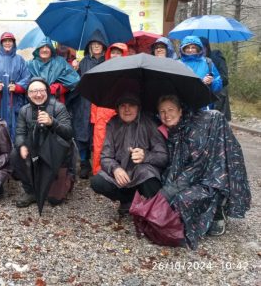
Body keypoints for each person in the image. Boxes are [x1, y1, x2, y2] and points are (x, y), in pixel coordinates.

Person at [157, 95, 250, 248]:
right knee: (169, 199)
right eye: (162, 111)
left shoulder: (195, 129)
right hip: (190, 178)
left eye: (170, 110)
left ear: (180, 111)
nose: (166, 115)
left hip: (210, 178)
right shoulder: (170, 132)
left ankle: (218, 210)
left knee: (180, 200)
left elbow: (194, 169)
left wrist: (167, 192)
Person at [90, 93, 168, 216]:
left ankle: (156, 210)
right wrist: (115, 169)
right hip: (123, 174)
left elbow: (163, 156)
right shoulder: (112, 123)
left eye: (131, 105)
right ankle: (128, 200)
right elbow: (105, 156)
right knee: (97, 182)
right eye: (122, 106)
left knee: (146, 174)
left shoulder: (150, 123)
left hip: (144, 173)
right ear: (117, 108)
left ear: (138, 107)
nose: (127, 109)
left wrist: (145, 156)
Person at [10, 77, 75, 208]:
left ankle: (68, 178)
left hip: (57, 151)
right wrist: (21, 145)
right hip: (35, 148)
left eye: (41, 90)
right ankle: (31, 191)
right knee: (14, 153)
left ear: (47, 91)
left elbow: (69, 133)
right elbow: (20, 133)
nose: (38, 94)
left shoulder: (59, 107)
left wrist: (52, 122)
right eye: (34, 91)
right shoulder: (24, 110)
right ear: (28, 94)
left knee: (54, 199)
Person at [70, 32, 107, 179]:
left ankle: (101, 163)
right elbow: (75, 81)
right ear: (89, 47)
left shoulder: (108, 61)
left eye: (98, 44)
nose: (96, 46)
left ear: (103, 46)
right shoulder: (83, 62)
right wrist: (75, 69)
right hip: (84, 102)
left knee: (99, 133)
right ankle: (85, 164)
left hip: (101, 103)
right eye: (93, 44)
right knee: (82, 132)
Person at [0, 32, 31, 141]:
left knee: (15, 125)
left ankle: (13, 151)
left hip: (14, 99)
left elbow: (27, 78)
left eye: (10, 41)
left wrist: (18, 87)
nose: (8, 43)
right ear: (1, 43)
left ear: (13, 43)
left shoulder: (20, 60)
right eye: (5, 41)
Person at [90, 42, 129, 175]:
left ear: (124, 54)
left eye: (119, 53)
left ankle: (117, 171)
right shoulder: (102, 69)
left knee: (118, 143)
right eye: (113, 52)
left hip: (119, 111)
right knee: (99, 143)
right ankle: (98, 171)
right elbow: (95, 94)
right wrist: (94, 116)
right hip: (102, 111)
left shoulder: (129, 71)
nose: (115, 55)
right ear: (109, 54)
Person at [27, 37, 80, 104]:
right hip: (35, 101)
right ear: (38, 50)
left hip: (56, 102)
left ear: (51, 50)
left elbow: (74, 80)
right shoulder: (30, 64)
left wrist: (57, 88)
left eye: (47, 47)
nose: (44, 50)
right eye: (42, 47)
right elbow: (25, 82)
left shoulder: (60, 62)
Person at [179, 36, 222, 108]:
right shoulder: (177, 63)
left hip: (203, 106)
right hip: (182, 105)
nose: (190, 50)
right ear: (183, 48)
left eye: (193, 47)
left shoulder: (208, 62)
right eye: (187, 47)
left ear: (198, 48)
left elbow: (218, 84)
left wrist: (212, 82)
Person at [199, 37, 231, 120]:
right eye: (199, 48)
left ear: (207, 48)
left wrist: (213, 80)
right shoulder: (197, 61)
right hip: (204, 97)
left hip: (218, 96)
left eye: (204, 48)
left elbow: (225, 78)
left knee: (218, 121)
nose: (202, 51)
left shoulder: (217, 58)